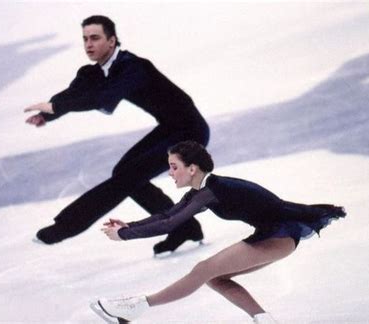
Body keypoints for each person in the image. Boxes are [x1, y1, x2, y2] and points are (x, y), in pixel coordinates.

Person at [94, 140, 346, 324]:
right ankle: (263, 319)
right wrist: (128, 226)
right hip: (276, 235)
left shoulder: (211, 191)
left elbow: (169, 225)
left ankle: (136, 306)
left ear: (192, 169)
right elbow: (167, 216)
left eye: (173, 167)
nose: (170, 173)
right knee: (215, 277)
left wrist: (124, 236)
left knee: (204, 270)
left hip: (280, 234)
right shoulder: (204, 191)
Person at [24, 15, 209, 254]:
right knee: (126, 175)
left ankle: (65, 227)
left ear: (111, 41)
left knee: (126, 178)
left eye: (95, 38)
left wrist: (57, 108)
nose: (89, 44)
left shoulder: (132, 67)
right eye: (85, 39)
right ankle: (185, 226)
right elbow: (75, 92)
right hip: (170, 128)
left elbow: (105, 100)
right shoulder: (96, 72)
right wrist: (48, 114)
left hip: (190, 131)